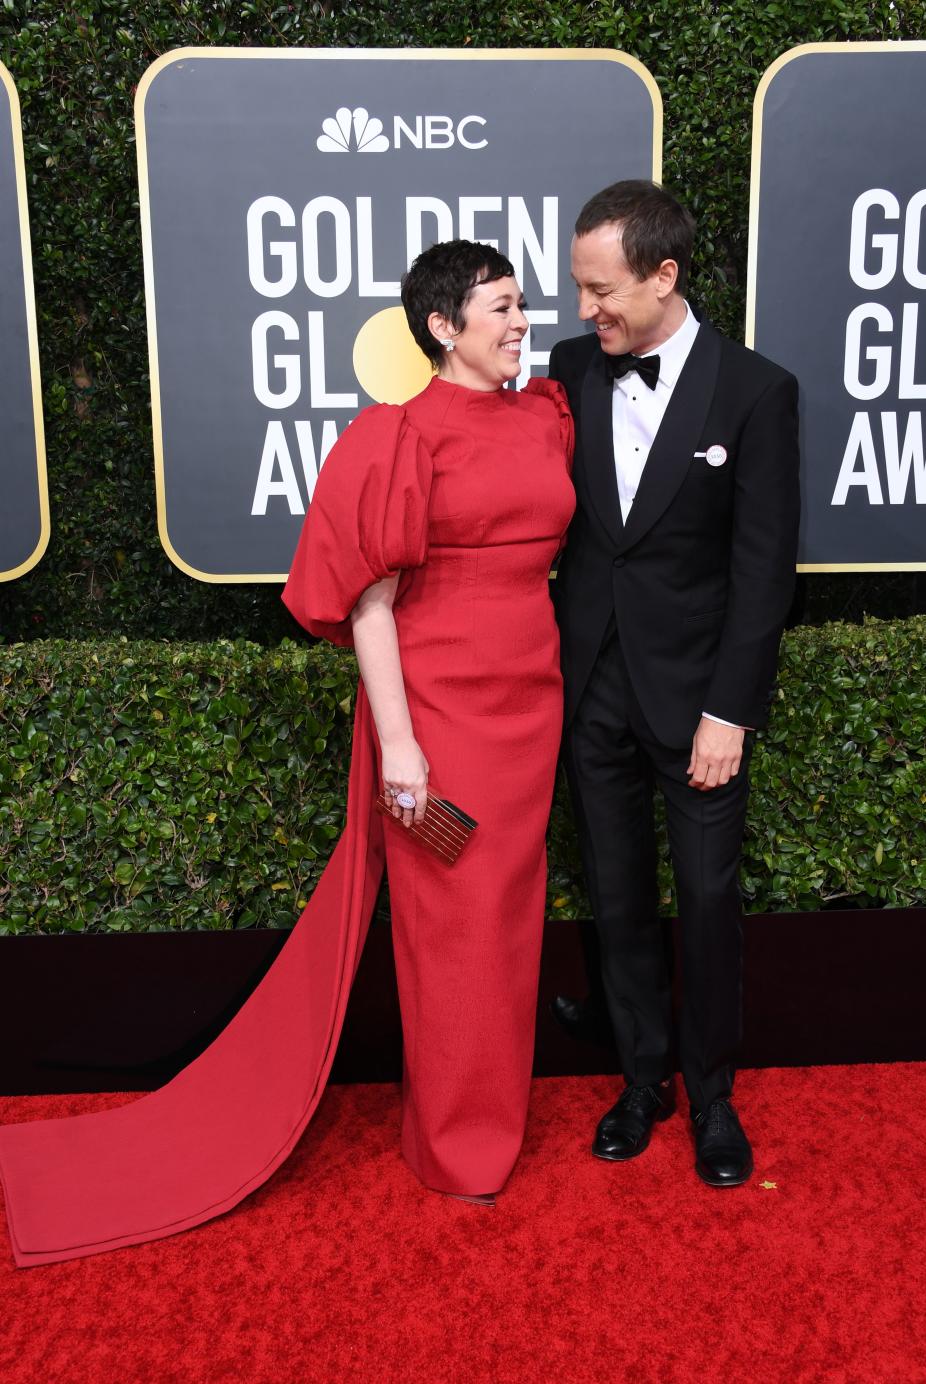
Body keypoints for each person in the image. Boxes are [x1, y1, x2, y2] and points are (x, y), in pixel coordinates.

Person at [0, 241, 574, 1266]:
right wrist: (401, 746)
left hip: (533, 703)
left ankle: (484, 1121)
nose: (523, 319)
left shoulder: (547, 417)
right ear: (443, 325)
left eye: (523, 302)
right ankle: (458, 1147)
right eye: (502, 304)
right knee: (456, 931)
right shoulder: (396, 436)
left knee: (511, 922)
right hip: (439, 716)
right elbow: (367, 602)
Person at [548, 180, 800, 1187]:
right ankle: (641, 1082)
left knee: (704, 898)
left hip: (700, 701)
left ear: (665, 274)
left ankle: (715, 1098)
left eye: (602, 290)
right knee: (616, 895)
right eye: (577, 289)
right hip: (592, 686)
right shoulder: (569, 370)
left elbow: (764, 568)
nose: (583, 311)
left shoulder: (756, 391)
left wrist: (730, 709)